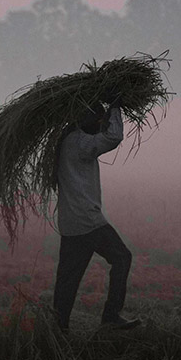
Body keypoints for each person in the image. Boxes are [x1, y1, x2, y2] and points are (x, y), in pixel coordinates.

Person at [51, 95, 140, 333]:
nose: (100, 123)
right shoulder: (80, 142)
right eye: (96, 117)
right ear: (84, 119)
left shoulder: (66, 141)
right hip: (87, 221)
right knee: (122, 257)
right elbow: (114, 137)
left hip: (70, 223)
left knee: (67, 280)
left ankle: (58, 331)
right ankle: (111, 316)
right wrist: (115, 107)